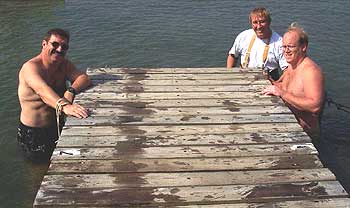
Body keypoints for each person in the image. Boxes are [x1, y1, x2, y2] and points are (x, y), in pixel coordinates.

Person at [17, 28, 91, 162]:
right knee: (38, 171)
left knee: (61, 162)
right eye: (55, 44)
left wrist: (71, 91)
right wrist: (65, 107)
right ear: (44, 44)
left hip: (55, 127)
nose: (59, 49)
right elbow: (42, 91)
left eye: (64, 46)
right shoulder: (31, 68)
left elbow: (83, 78)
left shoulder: (63, 65)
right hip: (33, 132)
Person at [261, 23, 325, 139]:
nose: (286, 51)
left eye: (290, 47)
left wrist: (282, 93)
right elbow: (282, 86)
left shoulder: (310, 72)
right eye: (284, 47)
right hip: (286, 127)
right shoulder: (291, 66)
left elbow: (314, 105)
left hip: (305, 136)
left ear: (303, 47)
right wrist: (268, 80)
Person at [226, 7, 288, 81]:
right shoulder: (243, 36)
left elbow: (287, 70)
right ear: (251, 23)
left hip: (268, 81)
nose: (259, 26)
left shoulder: (279, 43)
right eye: (255, 22)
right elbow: (233, 56)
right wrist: (229, 75)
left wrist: (278, 85)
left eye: (262, 22)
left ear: (269, 22)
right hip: (243, 79)